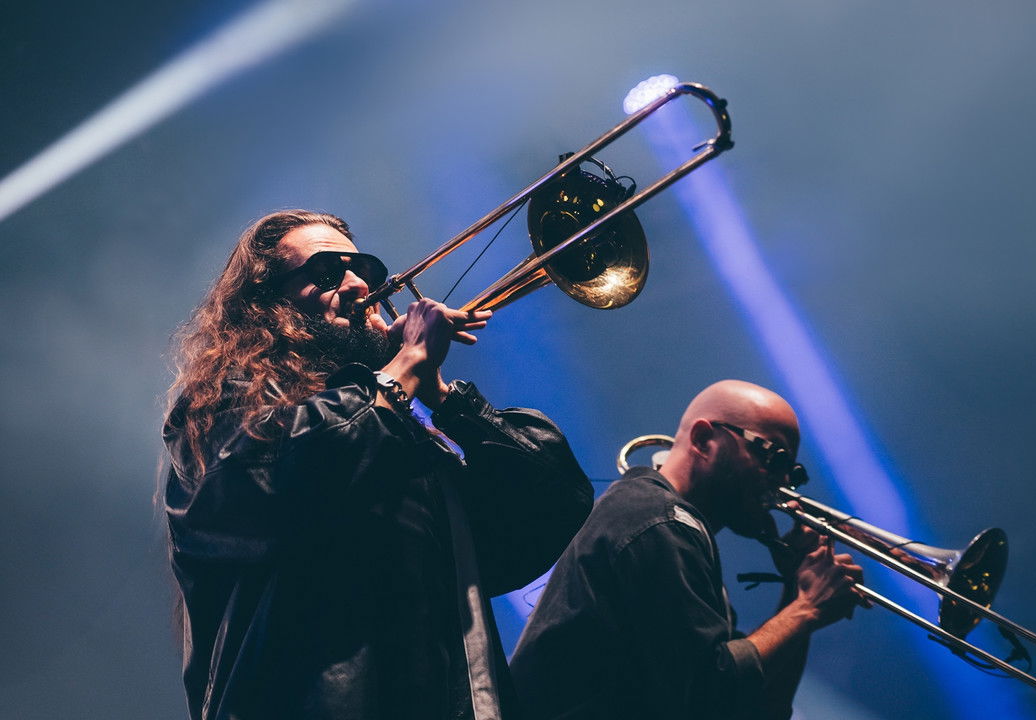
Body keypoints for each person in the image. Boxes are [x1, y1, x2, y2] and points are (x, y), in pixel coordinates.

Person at [162, 209, 593, 720]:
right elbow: (279, 485)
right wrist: (401, 370)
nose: (356, 284)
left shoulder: (396, 430)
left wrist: (441, 395)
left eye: (363, 268)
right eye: (325, 272)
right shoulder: (225, 402)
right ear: (267, 303)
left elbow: (550, 510)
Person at [509, 380, 868, 720]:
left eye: (793, 471)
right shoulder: (660, 522)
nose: (783, 481)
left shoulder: (673, 525)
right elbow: (707, 693)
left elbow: (756, 709)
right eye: (773, 458)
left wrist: (796, 593)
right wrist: (808, 609)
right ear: (703, 438)